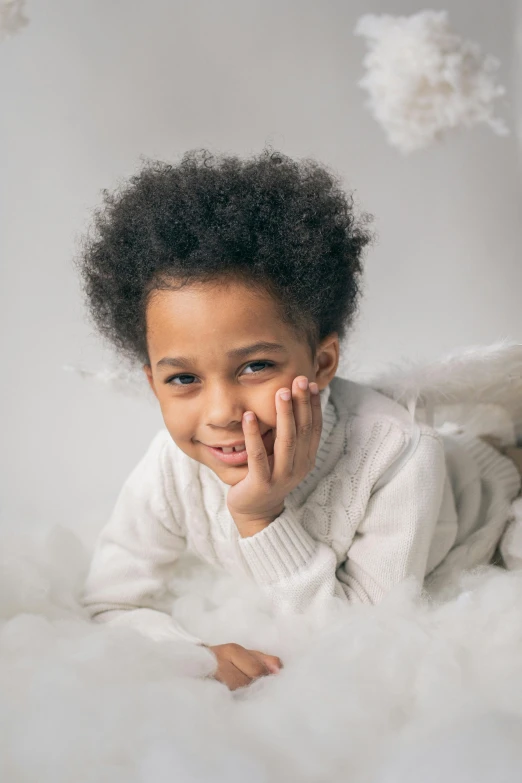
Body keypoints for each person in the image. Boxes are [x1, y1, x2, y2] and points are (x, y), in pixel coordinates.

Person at [76, 149, 522, 691]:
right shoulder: (171, 467)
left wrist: (261, 519)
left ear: (323, 362)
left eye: (255, 366)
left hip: (493, 497)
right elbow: (109, 600)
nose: (220, 414)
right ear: (153, 383)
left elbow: (364, 640)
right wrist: (187, 654)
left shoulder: (399, 456)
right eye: (183, 379)